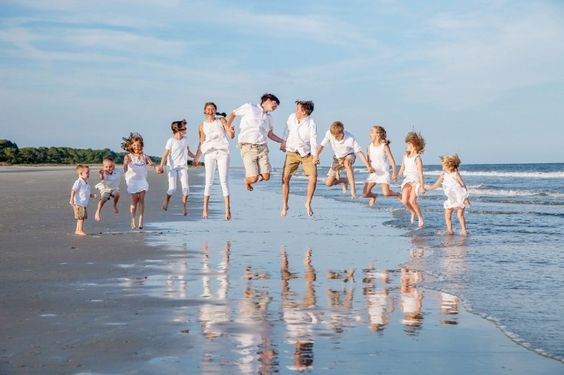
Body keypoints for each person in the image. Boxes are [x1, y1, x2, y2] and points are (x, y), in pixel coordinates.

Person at [226, 93, 285, 191]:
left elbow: (270, 135)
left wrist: (282, 141)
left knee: (266, 176)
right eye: (275, 104)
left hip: (262, 148)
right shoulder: (250, 107)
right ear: (268, 100)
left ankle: (251, 179)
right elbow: (233, 113)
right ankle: (247, 181)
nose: (276, 107)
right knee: (253, 178)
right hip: (248, 147)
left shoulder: (269, 118)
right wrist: (228, 127)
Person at [193, 102, 235, 220]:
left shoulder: (221, 121)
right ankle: (205, 208)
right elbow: (201, 142)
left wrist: (232, 131)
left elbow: (230, 135)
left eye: (213, 109)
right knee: (208, 181)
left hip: (222, 152)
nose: (211, 110)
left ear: (216, 110)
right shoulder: (202, 125)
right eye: (208, 109)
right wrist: (197, 157)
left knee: (223, 181)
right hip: (209, 153)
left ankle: (227, 210)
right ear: (204, 111)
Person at [280, 100, 318, 217]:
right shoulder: (291, 117)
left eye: (298, 109)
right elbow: (286, 130)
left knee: (313, 178)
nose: (295, 111)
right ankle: (285, 205)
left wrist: (315, 155)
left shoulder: (311, 123)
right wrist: (283, 142)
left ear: (304, 112)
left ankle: (307, 203)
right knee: (285, 178)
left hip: (306, 154)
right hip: (291, 152)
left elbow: (313, 140)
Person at [316, 121, 373, 198]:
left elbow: (359, 152)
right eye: (334, 136)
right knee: (328, 183)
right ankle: (345, 180)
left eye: (337, 136)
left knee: (347, 163)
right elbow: (321, 146)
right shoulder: (329, 133)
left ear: (342, 132)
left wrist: (368, 166)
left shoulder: (350, 138)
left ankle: (353, 192)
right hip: (337, 158)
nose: (335, 138)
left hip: (349, 155)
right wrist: (316, 156)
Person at [158, 119, 195, 216]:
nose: (186, 128)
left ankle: (184, 206)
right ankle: (167, 199)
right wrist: (161, 165)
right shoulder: (171, 141)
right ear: (177, 129)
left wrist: (195, 157)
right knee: (172, 189)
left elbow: (188, 151)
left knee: (186, 188)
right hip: (172, 167)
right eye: (184, 126)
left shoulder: (185, 139)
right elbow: (165, 154)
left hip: (183, 166)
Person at [425, 154, 470, 235]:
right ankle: (450, 230)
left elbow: (463, 185)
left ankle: (464, 230)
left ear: (448, 165)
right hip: (451, 198)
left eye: (443, 163)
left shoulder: (455, 174)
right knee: (447, 215)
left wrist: (465, 198)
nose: (441, 165)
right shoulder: (443, 175)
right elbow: (435, 185)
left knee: (460, 215)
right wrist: (426, 188)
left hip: (459, 197)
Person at [122, 132, 157, 230]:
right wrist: (124, 167)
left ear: (141, 145)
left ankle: (141, 220)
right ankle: (133, 220)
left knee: (141, 199)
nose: (136, 147)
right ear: (131, 146)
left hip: (142, 181)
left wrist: (156, 168)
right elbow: (125, 164)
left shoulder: (144, 156)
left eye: (138, 145)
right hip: (132, 181)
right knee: (134, 201)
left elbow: (151, 163)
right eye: (134, 145)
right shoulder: (128, 156)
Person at [362, 125, 400, 207]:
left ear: (378, 134)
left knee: (386, 193)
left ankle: (397, 194)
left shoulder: (384, 146)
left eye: (372, 132)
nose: (370, 134)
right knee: (365, 194)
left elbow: (392, 160)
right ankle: (373, 196)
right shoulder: (369, 147)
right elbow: (368, 161)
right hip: (374, 173)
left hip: (383, 172)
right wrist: (369, 168)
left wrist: (394, 173)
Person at [397, 131, 426, 228]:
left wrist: (422, 186)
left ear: (414, 146)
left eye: (409, 144)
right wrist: (397, 176)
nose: (407, 146)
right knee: (404, 201)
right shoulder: (405, 156)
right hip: (407, 180)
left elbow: (420, 174)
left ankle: (420, 217)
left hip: (415, 181)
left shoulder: (418, 158)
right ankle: (412, 212)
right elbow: (402, 168)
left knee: (412, 201)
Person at [69, 164, 96, 236]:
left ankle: (77, 230)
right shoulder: (79, 182)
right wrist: (71, 199)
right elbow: (73, 190)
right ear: (80, 174)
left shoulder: (86, 183)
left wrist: (92, 195)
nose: (88, 174)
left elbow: (86, 193)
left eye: (89, 172)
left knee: (81, 217)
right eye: (87, 173)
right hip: (79, 203)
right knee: (81, 217)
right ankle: (80, 230)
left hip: (83, 203)